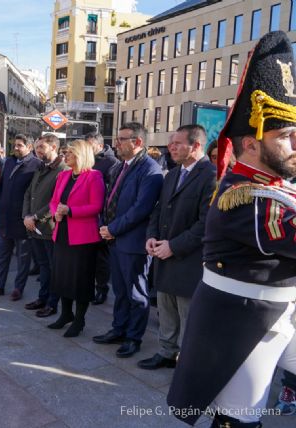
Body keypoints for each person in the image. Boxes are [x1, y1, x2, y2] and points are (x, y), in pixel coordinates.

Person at [167, 31, 296, 427]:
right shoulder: (247, 196)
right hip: (246, 322)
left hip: (283, 310)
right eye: (287, 137)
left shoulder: (274, 185)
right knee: (240, 419)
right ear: (252, 144)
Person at [137, 124, 216, 371]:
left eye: (178, 143)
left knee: (187, 315)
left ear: (196, 145)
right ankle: (166, 352)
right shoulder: (172, 174)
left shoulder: (211, 175)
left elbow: (206, 223)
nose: (171, 147)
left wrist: (174, 246)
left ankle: (187, 361)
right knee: (165, 309)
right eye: (171, 143)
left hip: (188, 260)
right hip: (163, 254)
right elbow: (159, 210)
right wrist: (151, 236)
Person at [93, 122, 163, 358]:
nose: (116, 143)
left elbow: (140, 209)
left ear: (138, 142)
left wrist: (112, 228)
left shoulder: (150, 170)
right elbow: (111, 199)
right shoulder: (120, 167)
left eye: (122, 139)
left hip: (132, 242)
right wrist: (106, 227)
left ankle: (134, 338)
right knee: (120, 291)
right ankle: (119, 329)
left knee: (136, 293)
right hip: (114, 239)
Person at [47, 140, 104, 337]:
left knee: (80, 280)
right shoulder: (63, 175)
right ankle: (66, 314)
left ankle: (79, 320)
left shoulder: (94, 176)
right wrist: (57, 213)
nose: (66, 155)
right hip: (62, 233)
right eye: (65, 152)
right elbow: (54, 201)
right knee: (62, 277)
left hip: (83, 238)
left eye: (70, 152)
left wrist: (71, 210)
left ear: (81, 154)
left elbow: (96, 206)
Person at [0, 134, 42, 300]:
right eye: (15, 145)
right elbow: (2, 184)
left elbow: (36, 193)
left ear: (29, 147)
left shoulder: (36, 165)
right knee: (1, 256)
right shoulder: (9, 161)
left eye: (20, 145)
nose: (15, 148)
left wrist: (29, 214)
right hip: (4, 219)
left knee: (23, 259)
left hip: (22, 220)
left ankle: (18, 288)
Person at [22, 133, 67, 317]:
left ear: (54, 147)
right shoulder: (40, 167)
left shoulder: (62, 169)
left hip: (49, 228)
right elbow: (28, 193)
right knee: (42, 265)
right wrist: (26, 215)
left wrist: (35, 217)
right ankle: (42, 297)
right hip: (33, 226)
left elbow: (55, 201)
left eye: (41, 147)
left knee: (52, 266)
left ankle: (52, 302)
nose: (37, 151)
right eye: (37, 147)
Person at [86, 131, 120, 306]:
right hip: (87, 216)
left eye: (90, 145)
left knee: (101, 258)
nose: (87, 149)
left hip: (102, 217)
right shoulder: (88, 160)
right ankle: (90, 287)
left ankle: (102, 289)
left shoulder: (112, 162)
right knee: (89, 257)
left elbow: (112, 191)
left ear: (99, 145)